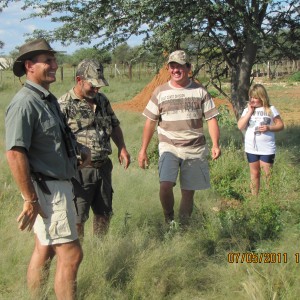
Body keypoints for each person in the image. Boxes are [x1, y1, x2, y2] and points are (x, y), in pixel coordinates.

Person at [5, 38, 91, 299]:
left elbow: (52, 140)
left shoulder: (46, 99)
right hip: (48, 190)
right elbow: (15, 153)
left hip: (55, 185)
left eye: (54, 59)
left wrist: (78, 151)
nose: (55, 65)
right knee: (72, 253)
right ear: (29, 65)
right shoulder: (24, 103)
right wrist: (30, 199)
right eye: (48, 61)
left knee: (45, 248)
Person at [138, 50, 221, 225]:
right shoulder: (160, 92)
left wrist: (215, 144)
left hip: (194, 147)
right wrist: (143, 150)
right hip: (169, 146)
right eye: (172, 66)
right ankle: (169, 219)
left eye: (180, 66)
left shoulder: (200, 91)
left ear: (188, 68)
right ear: (168, 69)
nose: (176, 70)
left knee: (188, 192)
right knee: (165, 185)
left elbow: (211, 119)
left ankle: (183, 227)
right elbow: (150, 123)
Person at [58, 59, 130, 239]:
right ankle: (77, 254)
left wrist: (122, 147)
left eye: (99, 85)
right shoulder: (64, 105)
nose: (97, 89)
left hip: (104, 167)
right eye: (93, 85)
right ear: (79, 80)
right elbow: (56, 141)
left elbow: (113, 125)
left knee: (104, 213)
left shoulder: (102, 100)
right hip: (80, 172)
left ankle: (100, 250)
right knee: (78, 217)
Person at [237, 83, 284, 195]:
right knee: (254, 174)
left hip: (267, 148)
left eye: (256, 97)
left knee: (268, 175)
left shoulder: (270, 109)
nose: (252, 100)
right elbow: (240, 126)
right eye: (251, 97)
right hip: (251, 148)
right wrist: (249, 112)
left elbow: (281, 125)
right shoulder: (247, 110)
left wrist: (269, 127)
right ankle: (255, 200)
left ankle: (269, 200)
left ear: (262, 97)